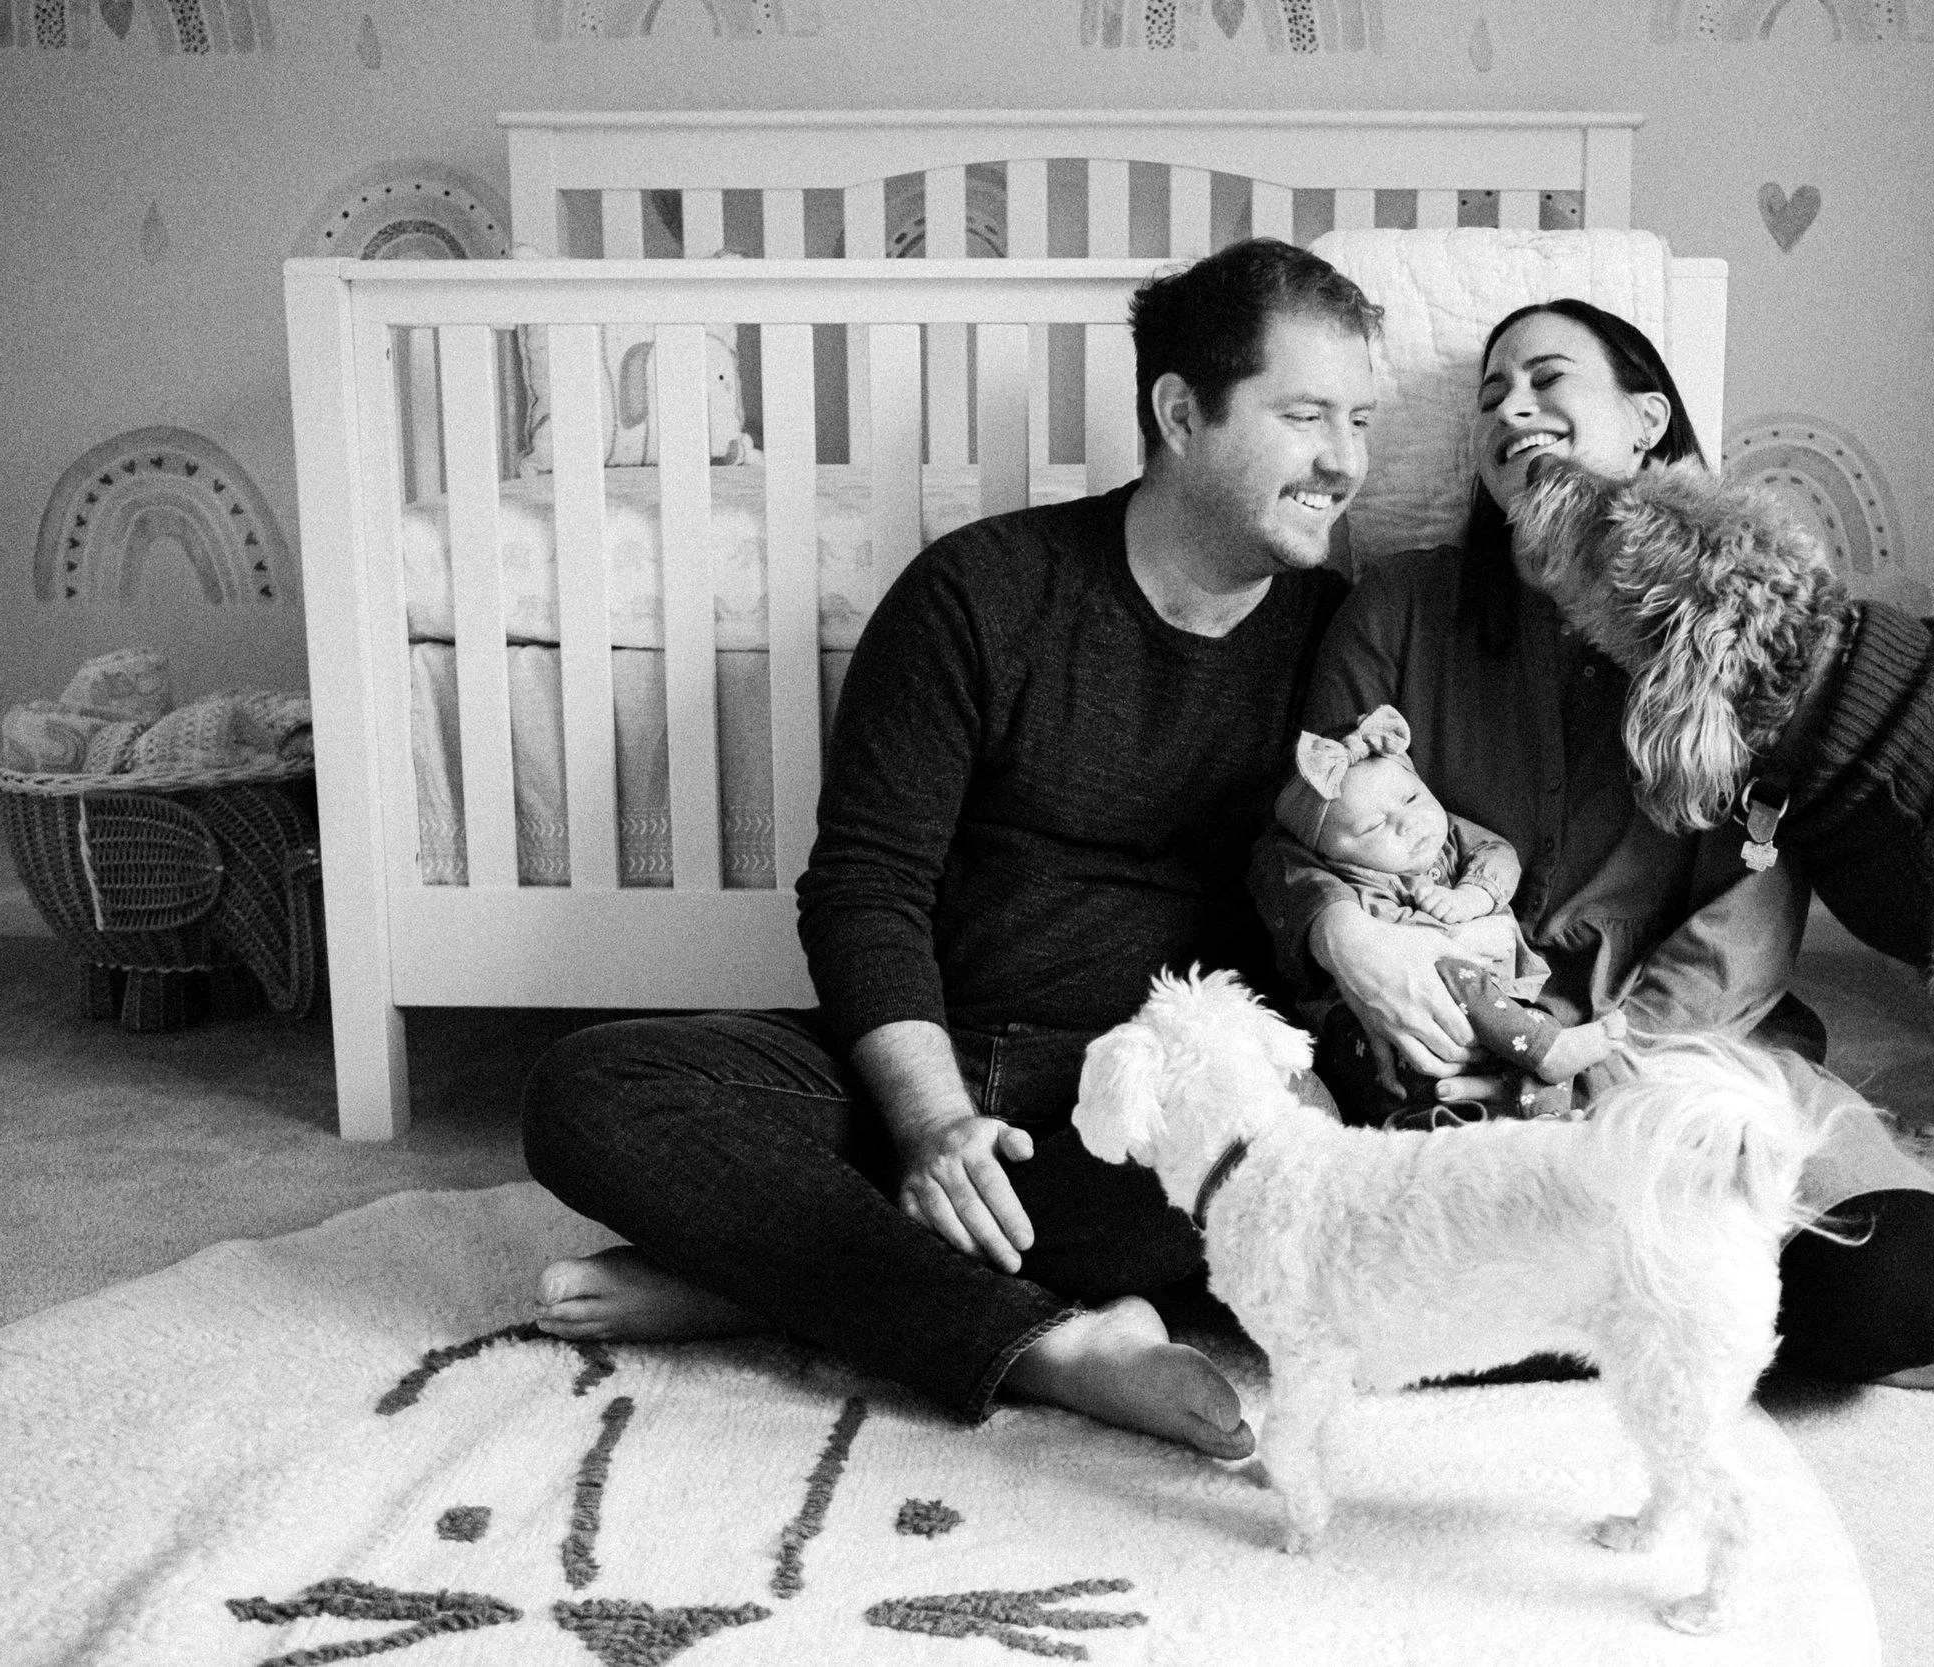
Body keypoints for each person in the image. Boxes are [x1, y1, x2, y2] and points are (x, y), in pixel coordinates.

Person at [518, 237, 1381, 1454]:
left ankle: (769, 1274)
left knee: (1275, 1163)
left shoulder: (1341, 643)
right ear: (1181, 412)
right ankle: (1059, 1344)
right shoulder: (981, 589)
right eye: (1304, 416)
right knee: (589, 1092)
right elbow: (864, 886)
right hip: (912, 1067)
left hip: (1127, 1108)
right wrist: (928, 1123)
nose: (1343, 460)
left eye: (1358, 418)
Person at [1249, 297, 1934, 1394]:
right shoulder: (1396, 606)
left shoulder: (1733, 622)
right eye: (1488, 396)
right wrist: (1339, 934)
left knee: (1907, 1283)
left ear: (1646, 418)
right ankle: (1685, 1316)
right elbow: (1299, 832)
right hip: (1459, 1059)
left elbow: (1751, 917)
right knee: (1351, 1272)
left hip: (1683, 1055)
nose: (1510, 407)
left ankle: (1655, 1305)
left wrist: (1615, 1053)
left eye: (1546, 378)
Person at [1271, 702, 1627, 1124]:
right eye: (1371, 828)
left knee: (1540, 1023)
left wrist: (1471, 897)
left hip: (1492, 1028)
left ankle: (1546, 1121)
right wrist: (1449, 935)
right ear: (1328, 855)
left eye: (1411, 797)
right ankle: (1542, 1055)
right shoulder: (1357, 886)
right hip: (1389, 1038)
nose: (1408, 823)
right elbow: (1401, 954)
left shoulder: (1449, 838)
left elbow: (1499, 854)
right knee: (1463, 989)